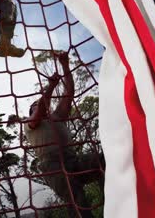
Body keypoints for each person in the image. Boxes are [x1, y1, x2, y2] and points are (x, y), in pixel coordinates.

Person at [23, 52, 102, 218]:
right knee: (77, 199)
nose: (40, 107)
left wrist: (65, 66)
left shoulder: (57, 117)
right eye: (35, 106)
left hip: (72, 159)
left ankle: (118, 204)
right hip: (53, 166)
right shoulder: (30, 124)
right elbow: (39, 111)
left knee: (102, 161)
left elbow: (69, 93)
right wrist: (50, 87)